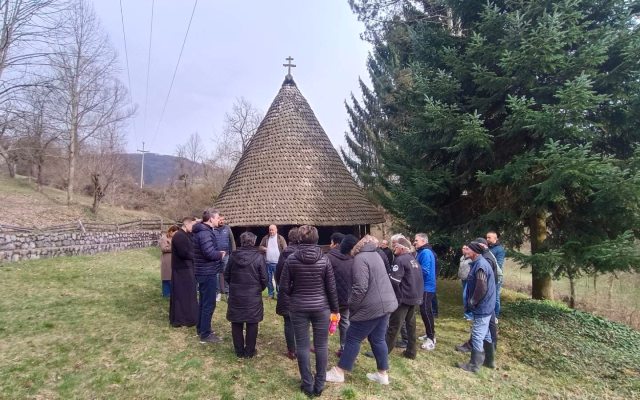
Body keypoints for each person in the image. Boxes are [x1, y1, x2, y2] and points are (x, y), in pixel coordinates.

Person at [326, 235, 398, 386]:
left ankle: (339, 372)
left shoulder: (360, 259)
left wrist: (351, 305)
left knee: (352, 337)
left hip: (372, 306)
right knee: (378, 339)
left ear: (350, 249)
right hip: (386, 304)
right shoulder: (375, 254)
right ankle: (382, 374)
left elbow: (360, 288)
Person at [279, 225, 339, 397]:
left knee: (302, 346)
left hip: (298, 307)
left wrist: (294, 293)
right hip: (321, 307)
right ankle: (319, 384)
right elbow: (331, 288)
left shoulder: (291, 259)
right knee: (321, 345)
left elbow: (283, 287)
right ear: (316, 239)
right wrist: (335, 309)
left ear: (299, 239)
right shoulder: (325, 259)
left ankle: (307, 384)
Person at [224, 231, 267, 358]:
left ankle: (240, 351)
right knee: (252, 322)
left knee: (237, 321)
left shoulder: (233, 256)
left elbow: (227, 275)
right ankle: (249, 351)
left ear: (241, 242)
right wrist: (258, 289)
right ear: (253, 242)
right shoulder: (259, 257)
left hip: (238, 294)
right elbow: (264, 278)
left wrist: (235, 287)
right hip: (252, 295)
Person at [458, 240, 496, 373]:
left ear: (474, 252)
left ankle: (474, 365)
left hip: (483, 306)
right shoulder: (478, 263)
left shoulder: (480, 266)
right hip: (487, 305)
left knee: (477, 335)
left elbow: (481, 287)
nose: (465, 251)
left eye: (468, 249)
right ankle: (489, 361)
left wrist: (473, 301)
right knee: (486, 334)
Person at [385, 235, 424, 359]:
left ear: (402, 248)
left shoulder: (400, 260)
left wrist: (394, 296)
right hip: (414, 297)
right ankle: (411, 352)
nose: (393, 248)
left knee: (394, 326)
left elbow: (394, 281)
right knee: (411, 325)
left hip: (403, 298)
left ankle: (383, 352)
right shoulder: (413, 260)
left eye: (395, 246)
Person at [192, 208, 226, 344]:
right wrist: (220, 254)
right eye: (217, 218)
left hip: (202, 271)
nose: (218, 220)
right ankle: (205, 334)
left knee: (203, 302)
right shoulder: (205, 233)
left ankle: (201, 328)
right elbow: (209, 253)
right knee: (209, 304)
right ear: (211, 219)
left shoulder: (201, 231)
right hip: (207, 272)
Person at [326, 232, 357, 357]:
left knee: (324, 322)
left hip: (330, 298)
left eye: (331, 242)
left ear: (336, 244)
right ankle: (344, 348)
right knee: (345, 323)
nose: (330, 245)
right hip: (346, 298)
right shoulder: (352, 258)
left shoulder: (328, 257)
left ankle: (320, 346)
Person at [275, 227, 300, 360]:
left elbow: (278, 273)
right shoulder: (304, 252)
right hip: (302, 292)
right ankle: (301, 347)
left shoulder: (285, 253)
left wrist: (282, 285)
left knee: (289, 321)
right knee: (302, 321)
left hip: (287, 292)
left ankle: (292, 350)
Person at [169, 217, 198, 327]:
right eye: (193, 225)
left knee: (188, 295)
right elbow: (184, 253)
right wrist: (196, 256)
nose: (194, 227)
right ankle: (182, 319)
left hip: (186, 268)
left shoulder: (186, 235)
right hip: (181, 270)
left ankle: (189, 317)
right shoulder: (179, 236)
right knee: (182, 296)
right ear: (187, 224)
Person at [414, 233, 436, 350]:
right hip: (425, 286)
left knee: (425, 311)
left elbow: (425, 271)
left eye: (416, 240)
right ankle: (429, 334)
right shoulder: (422, 251)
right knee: (427, 311)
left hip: (427, 287)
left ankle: (431, 339)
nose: (414, 242)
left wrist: (411, 275)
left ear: (423, 241)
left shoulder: (426, 252)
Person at [260, 224, 287, 299]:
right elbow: (260, 247)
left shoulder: (280, 238)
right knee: (268, 280)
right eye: (270, 230)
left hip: (277, 263)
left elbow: (285, 249)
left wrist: (283, 259)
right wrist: (264, 248)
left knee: (278, 280)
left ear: (276, 230)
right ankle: (270, 294)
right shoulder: (266, 238)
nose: (271, 231)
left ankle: (279, 294)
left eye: (272, 230)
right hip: (267, 263)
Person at [214, 215, 236, 301]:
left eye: (223, 220)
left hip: (226, 255)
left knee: (226, 273)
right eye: (220, 219)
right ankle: (218, 292)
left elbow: (232, 241)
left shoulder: (227, 228)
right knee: (216, 274)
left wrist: (233, 254)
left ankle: (227, 293)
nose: (221, 221)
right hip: (215, 255)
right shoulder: (213, 229)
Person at [486, 231, 505, 318]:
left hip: (496, 275)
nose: (487, 239)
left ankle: (495, 316)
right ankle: (488, 313)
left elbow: (499, 264)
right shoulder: (487, 248)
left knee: (495, 296)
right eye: (487, 237)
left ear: (495, 238)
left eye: (489, 237)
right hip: (487, 275)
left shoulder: (499, 249)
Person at [159, 225, 179, 297]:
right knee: (166, 277)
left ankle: (172, 293)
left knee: (173, 277)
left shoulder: (175, 238)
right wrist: (173, 246)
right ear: (171, 232)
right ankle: (166, 294)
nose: (176, 234)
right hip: (167, 260)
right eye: (175, 233)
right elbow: (164, 249)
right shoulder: (164, 238)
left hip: (174, 260)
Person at [458, 246, 473, 320]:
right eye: (463, 248)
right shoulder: (462, 258)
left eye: (466, 249)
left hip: (469, 280)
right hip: (463, 279)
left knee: (466, 296)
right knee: (465, 296)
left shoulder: (471, 258)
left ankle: (470, 314)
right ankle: (466, 313)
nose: (464, 250)